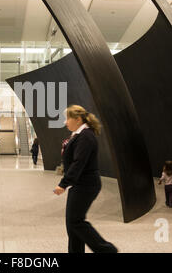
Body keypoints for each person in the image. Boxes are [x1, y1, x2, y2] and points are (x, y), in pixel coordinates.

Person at [53, 105, 117, 253]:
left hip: (86, 185)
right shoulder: (79, 134)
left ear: (78, 119)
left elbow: (79, 162)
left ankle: (107, 250)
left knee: (76, 221)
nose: (66, 122)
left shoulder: (86, 136)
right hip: (80, 184)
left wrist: (63, 184)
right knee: (72, 224)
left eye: (68, 118)